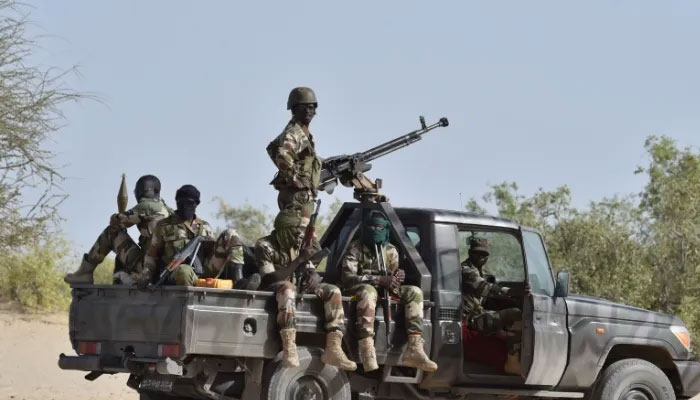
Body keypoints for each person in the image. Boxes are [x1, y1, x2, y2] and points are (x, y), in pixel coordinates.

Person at [255, 208, 356, 371]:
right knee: (287, 288)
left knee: (333, 291)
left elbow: (309, 267)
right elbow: (270, 278)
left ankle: (334, 347)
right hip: (276, 288)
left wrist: (314, 275)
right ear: (284, 229)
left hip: (300, 285)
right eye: (295, 230)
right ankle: (289, 346)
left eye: (300, 231)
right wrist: (299, 259)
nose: (299, 235)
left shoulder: (298, 243)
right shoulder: (265, 245)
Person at [340, 211, 438, 373]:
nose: (374, 230)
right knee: (368, 290)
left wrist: (397, 277)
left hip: (385, 290)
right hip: (361, 289)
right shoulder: (356, 248)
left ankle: (414, 347)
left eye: (378, 227)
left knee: (414, 291)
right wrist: (377, 280)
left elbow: (392, 282)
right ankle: (366, 347)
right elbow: (347, 278)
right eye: (371, 227)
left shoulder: (391, 250)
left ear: (385, 229)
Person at [138, 184, 259, 289]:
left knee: (230, 234)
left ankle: (238, 281)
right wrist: (146, 277)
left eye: (189, 203)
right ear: (177, 202)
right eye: (181, 202)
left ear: (196, 204)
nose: (185, 206)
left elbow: (213, 252)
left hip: (203, 271)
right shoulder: (163, 226)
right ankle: (198, 289)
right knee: (184, 271)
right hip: (175, 272)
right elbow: (151, 256)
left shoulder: (205, 227)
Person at [64, 175, 172, 285]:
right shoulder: (169, 210)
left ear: (142, 191)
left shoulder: (147, 206)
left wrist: (116, 216)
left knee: (112, 233)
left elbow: (116, 222)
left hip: (149, 269)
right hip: (166, 269)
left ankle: (84, 273)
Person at [461, 236, 526, 375]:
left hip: (477, 314)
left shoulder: (482, 273)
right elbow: (484, 288)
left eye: (484, 254)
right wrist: (512, 292)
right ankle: (512, 363)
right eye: (477, 253)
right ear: (470, 253)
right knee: (514, 315)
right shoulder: (465, 270)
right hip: (468, 319)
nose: (481, 257)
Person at [266, 87, 322, 221]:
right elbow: (282, 156)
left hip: (300, 197)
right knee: (298, 238)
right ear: (294, 109)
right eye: (304, 107)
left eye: (312, 107)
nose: (309, 111)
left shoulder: (304, 133)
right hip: (295, 197)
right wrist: (299, 181)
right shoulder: (294, 133)